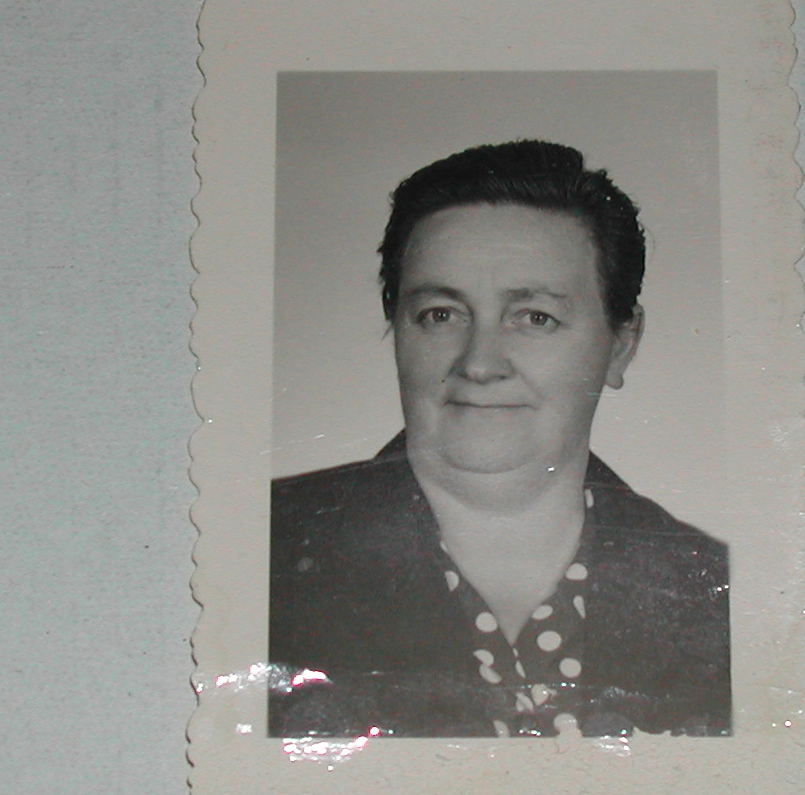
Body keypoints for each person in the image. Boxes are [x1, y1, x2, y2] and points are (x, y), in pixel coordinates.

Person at [269, 139, 731, 738]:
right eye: (441, 314)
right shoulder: (260, 551)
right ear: (398, 329)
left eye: (536, 318)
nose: (480, 363)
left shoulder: (719, 596)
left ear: (621, 344)